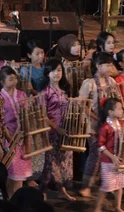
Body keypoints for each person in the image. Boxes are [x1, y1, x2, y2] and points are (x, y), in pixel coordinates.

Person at [78, 53, 117, 197]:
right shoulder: (89, 83)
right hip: (93, 124)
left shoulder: (112, 81)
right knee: (95, 153)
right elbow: (82, 104)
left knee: (108, 153)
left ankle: (106, 183)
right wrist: (96, 117)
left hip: (108, 124)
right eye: (107, 65)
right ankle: (86, 185)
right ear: (98, 66)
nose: (110, 68)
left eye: (111, 65)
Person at [38, 59, 75, 201]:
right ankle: (48, 190)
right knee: (51, 162)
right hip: (51, 131)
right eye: (53, 70)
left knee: (63, 160)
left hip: (65, 130)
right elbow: (42, 115)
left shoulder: (65, 89)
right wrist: (56, 128)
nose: (56, 73)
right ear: (47, 73)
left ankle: (57, 189)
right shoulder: (45, 92)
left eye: (59, 70)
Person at [0, 67, 31, 197]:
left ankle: (16, 200)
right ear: (2, 82)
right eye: (10, 79)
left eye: (15, 78)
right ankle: (9, 200)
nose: (14, 81)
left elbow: (27, 118)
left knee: (19, 176)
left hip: (21, 138)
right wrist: (8, 134)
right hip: (7, 139)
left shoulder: (22, 95)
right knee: (8, 172)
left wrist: (27, 140)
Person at [94, 98, 124, 212]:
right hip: (108, 160)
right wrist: (112, 157)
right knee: (106, 186)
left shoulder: (120, 123)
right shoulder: (105, 127)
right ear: (110, 112)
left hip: (119, 159)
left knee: (119, 185)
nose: (121, 111)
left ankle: (117, 206)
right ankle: (97, 208)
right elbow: (100, 146)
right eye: (119, 109)